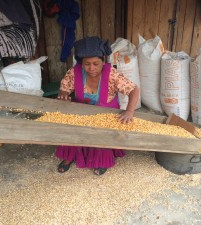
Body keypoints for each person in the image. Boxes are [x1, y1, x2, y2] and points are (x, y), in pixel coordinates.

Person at [56, 36, 140, 176]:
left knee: (100, 134)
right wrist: (64, 94)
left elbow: (133, 90)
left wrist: (129, 111)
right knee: (70, 128)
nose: (91, 68)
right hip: (81, 110)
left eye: (96, 63)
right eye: (87, 64)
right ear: (81, 62)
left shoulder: (112, 75)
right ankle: (69, 156)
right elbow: (64, 88)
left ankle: (100, 160)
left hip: (106, 112)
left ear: (103, 61)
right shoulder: (74, 72)